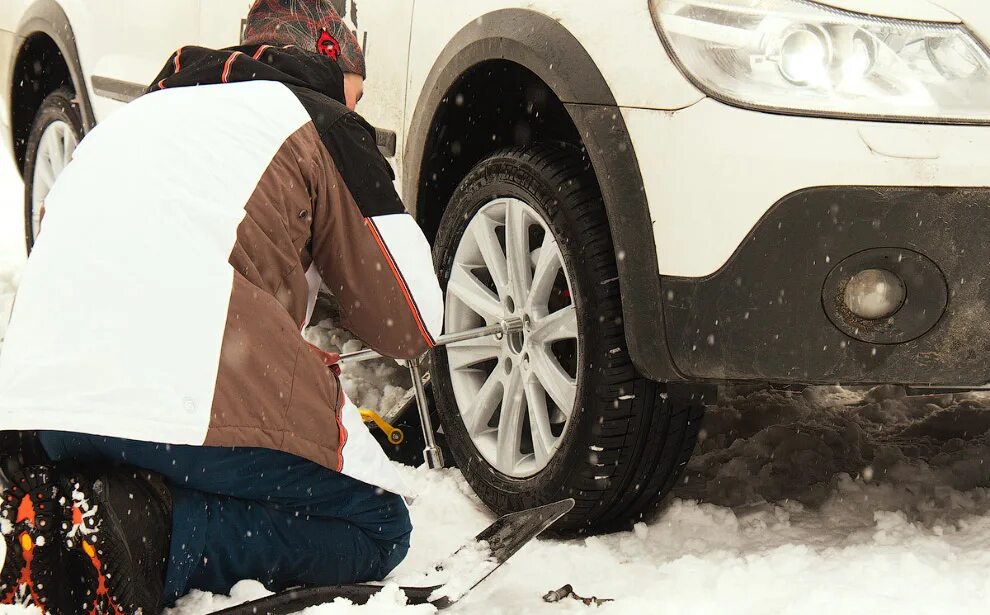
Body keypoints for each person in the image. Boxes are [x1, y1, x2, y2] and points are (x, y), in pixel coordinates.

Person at [0, 1, 443, 613]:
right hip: (180, 403)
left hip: (41, 412)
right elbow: (411, 320)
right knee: (378, 525)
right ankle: (151, 531)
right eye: (358, 93)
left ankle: (63, 501)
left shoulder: (134, 117)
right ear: (329, 57)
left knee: (154, 438)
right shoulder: (319, 118)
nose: (357, 108)